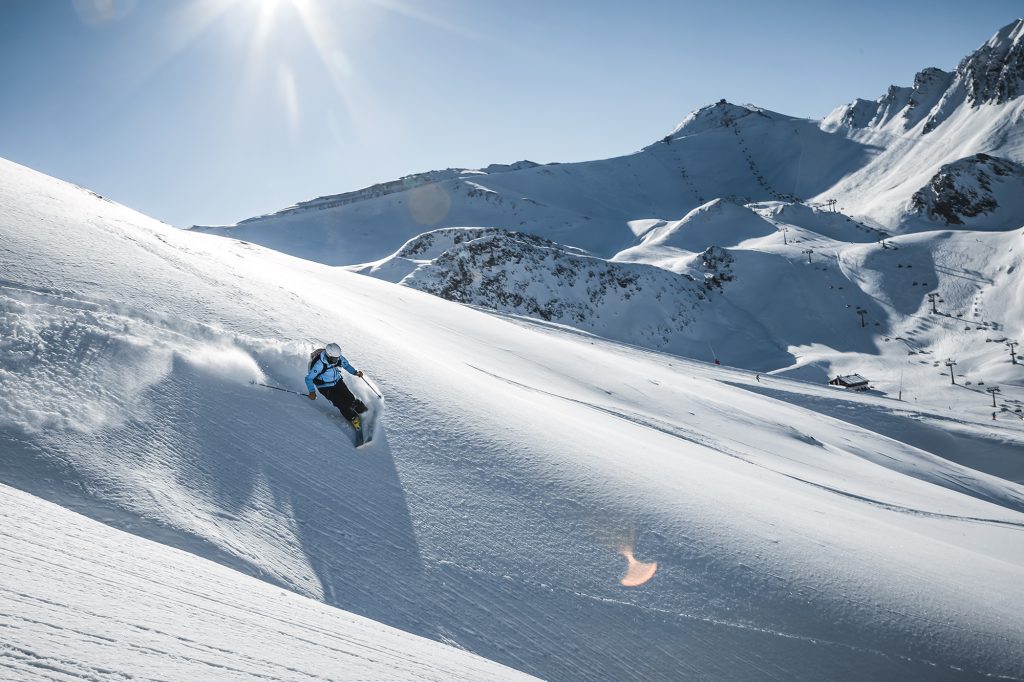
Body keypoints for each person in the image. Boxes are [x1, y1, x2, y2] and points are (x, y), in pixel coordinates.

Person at [306, 342, 367, 429]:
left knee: (350, 398)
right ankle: (353, 418)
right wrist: (312, 392)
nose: (336, 361)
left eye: (337, 358)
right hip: (325, 387)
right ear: (328, 356)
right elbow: (309, 378)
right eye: (334, 359)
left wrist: (355, 372)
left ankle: (362, 411)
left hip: (337, 381)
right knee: (341, 404)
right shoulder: (319, 365)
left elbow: (346, 365)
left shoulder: (336, 357)